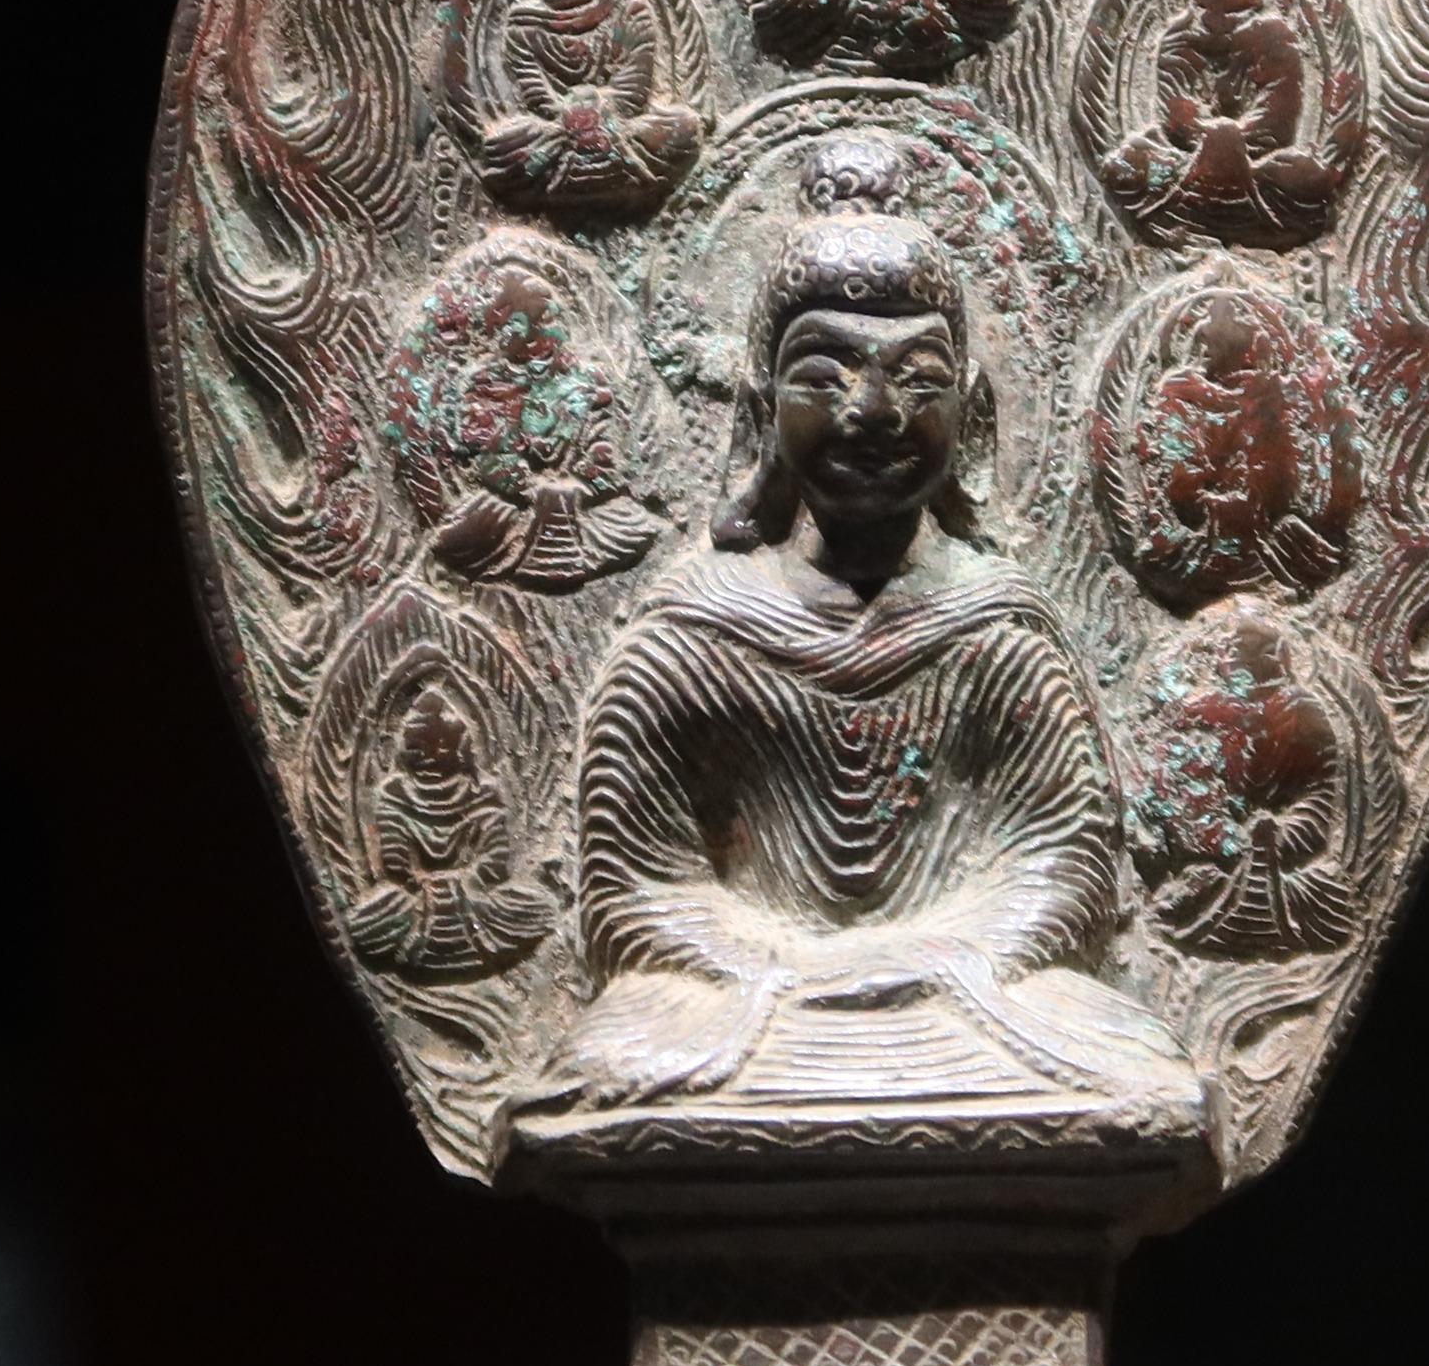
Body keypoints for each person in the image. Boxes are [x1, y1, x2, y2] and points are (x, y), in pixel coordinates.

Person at [511, 143, 1202, 1143]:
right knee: (607, 1059)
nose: (872, 411)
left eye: (917, 377)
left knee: (1130, 1066)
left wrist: (934, 962)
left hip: (967, 995)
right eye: (822, 372)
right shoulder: (690, 635)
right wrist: (779, 970)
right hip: (740, 1000)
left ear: (970, 411)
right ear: (761, 403)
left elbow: (1065, 868)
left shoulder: (998, 625)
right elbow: (633, 892)